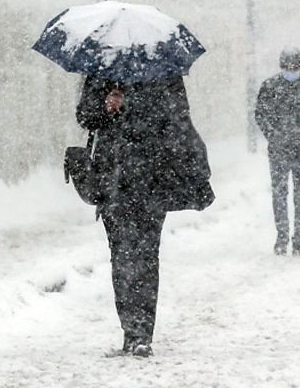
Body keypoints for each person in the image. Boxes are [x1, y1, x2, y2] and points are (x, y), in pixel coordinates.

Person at [76, 74, 214, 357]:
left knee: (147, 255)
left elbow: (178, 120)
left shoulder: (165, 74)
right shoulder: (102, 72)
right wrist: (105, 107)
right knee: (121, 255)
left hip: (152, 179)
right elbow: (85, 116)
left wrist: (135, 107)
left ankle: (142, 334)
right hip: (112, 181)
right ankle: (131, 330)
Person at [255, 47, 300, 256]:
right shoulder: (270, 87)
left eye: (294, 67)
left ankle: (299, 239)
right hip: (279, 149)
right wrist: (273, 134)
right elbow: (260, 114)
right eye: (287, 67)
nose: (290, 70)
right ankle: (282, 235)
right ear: (281, 66)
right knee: (279, 193)